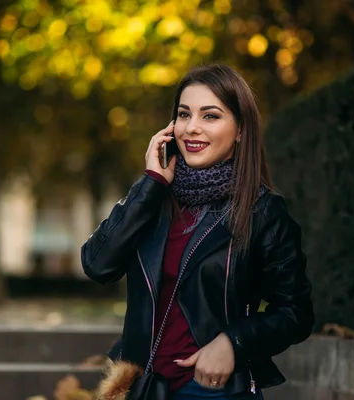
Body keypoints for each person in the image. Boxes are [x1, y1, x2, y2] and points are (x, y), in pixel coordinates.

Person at [82, 64, 314, 399]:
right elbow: (98, 264)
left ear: (240, 130)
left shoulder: (262, 211)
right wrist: (150, 185)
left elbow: (295, 313)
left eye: (210, 116)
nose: (192, 128)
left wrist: (233, 342)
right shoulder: (154, 199)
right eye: (183, 114)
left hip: (212, 389)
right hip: (142, 387)